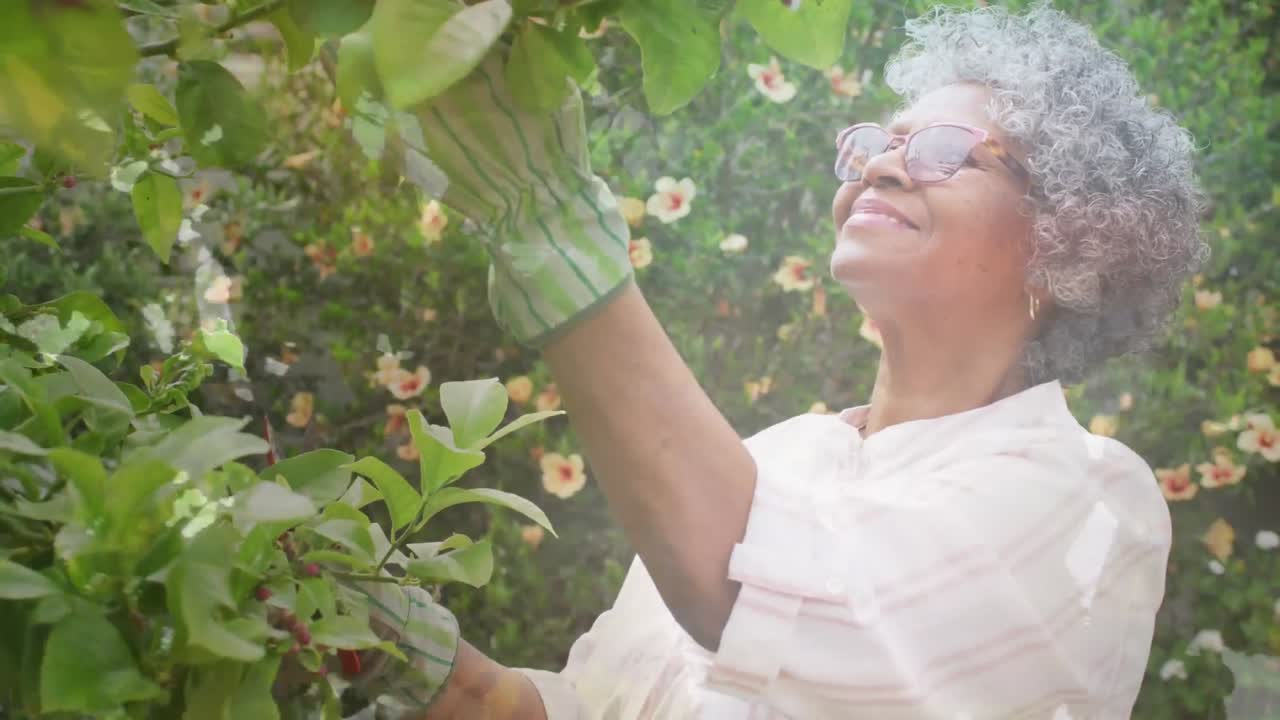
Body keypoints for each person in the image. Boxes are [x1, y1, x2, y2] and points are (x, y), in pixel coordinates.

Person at [349, 3, 1209, 718]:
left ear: (1071, 247)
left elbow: (758, 594)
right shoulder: (776, 461)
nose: (881, 165)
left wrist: (558, 235)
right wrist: (416, 657)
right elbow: (586, 703)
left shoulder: (1092, 496)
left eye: (944, 149)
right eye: (874, 141)